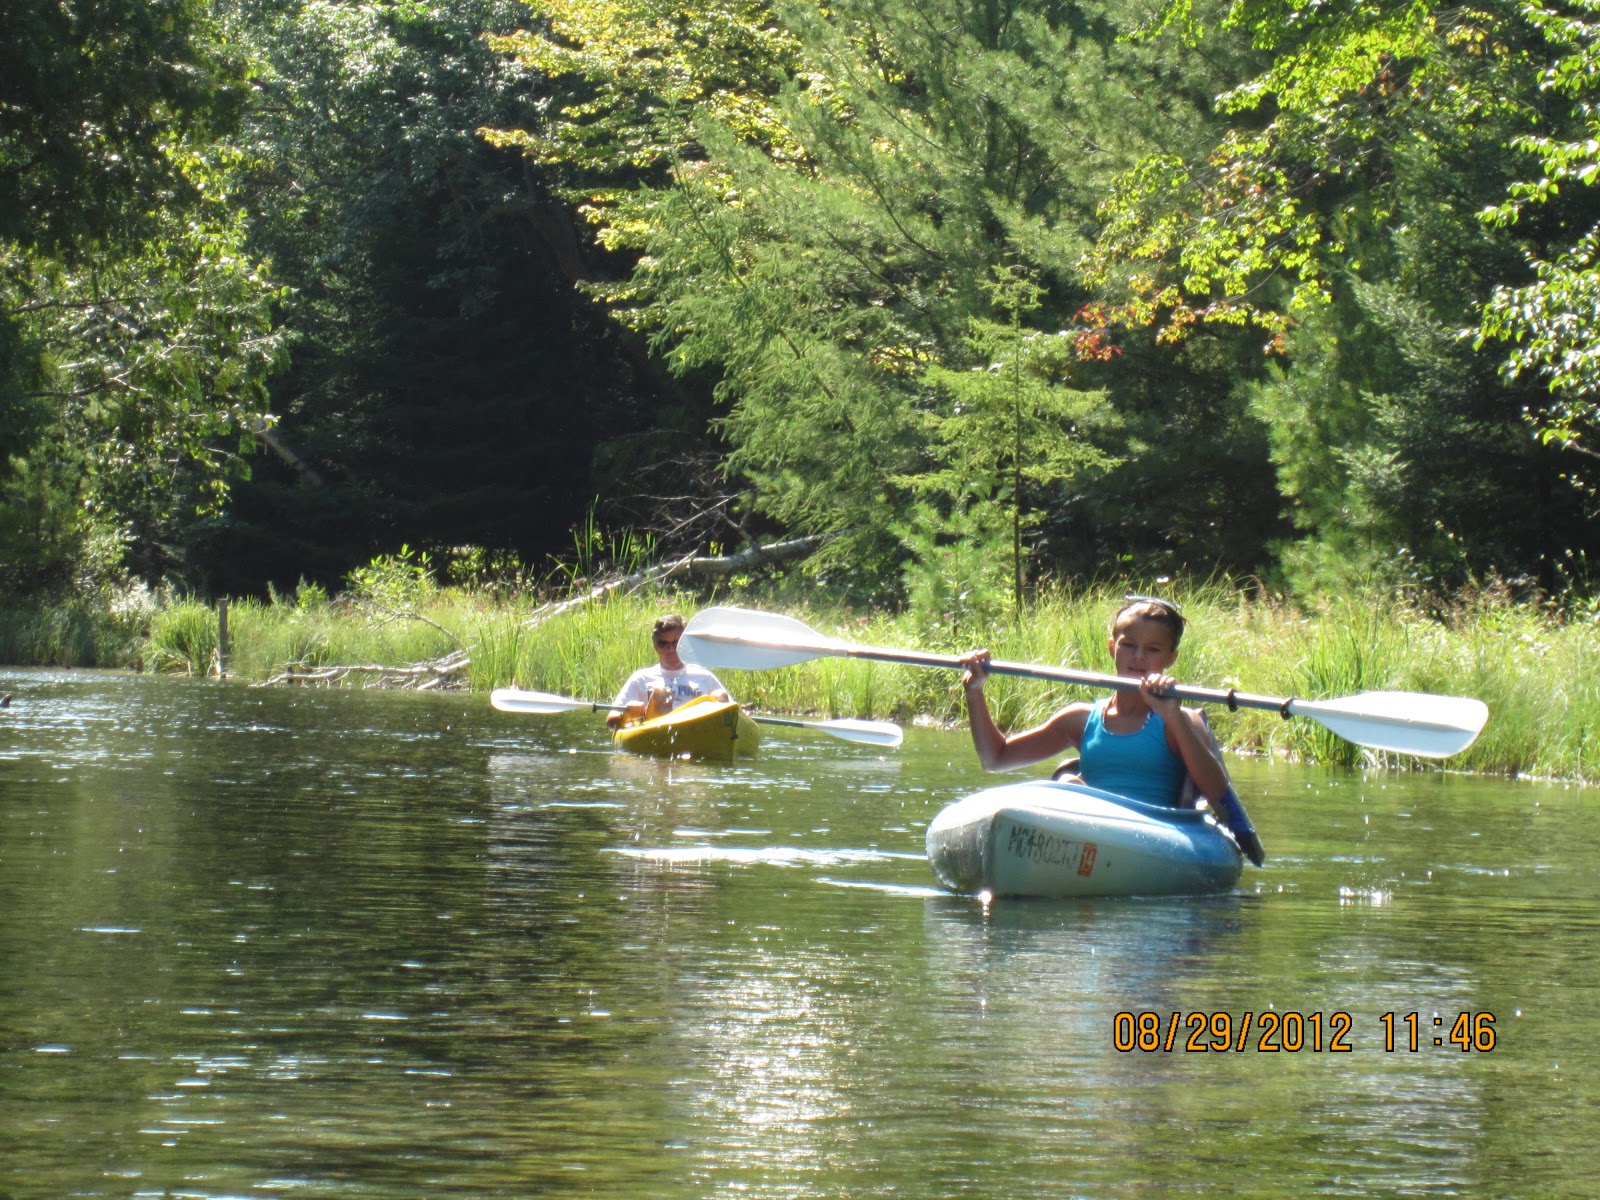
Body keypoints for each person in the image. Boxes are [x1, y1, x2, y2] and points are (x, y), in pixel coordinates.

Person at [959, 596, 1231, 808]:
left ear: (1170, 658)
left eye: (1153, 650)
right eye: (1128, 645)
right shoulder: (1078, 720)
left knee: (1069, 782)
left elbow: (1218, 793)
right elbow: (995, 759)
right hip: (1092, 826)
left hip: (1152, 835)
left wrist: (1172, 716)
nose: (1138, 657)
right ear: (1112, 647)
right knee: (1067, 782)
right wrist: (975, 693)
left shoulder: (1181, 720)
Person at [606, 613, 732, 730]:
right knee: (661, 692)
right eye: (663, 644)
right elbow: (611, 722)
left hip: (697, 731)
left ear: (685, 644)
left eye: (676, 643)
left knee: (720, 695)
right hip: (655, 732)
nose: (671, 649)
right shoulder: (641, 678)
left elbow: (735, 716)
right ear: (656, 646)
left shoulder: (705, 678)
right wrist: (627, 715)